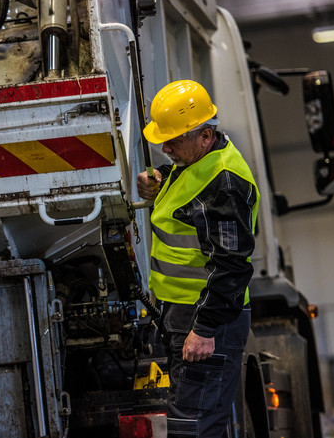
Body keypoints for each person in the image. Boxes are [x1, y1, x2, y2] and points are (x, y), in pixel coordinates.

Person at [136, 80, 260, 437]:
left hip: (206, 320)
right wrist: (160, 178)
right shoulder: (198, 162)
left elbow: (232, 265)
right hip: (185, 314)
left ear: (205, 136)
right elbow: (186, 189)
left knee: (194, 428)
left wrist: (205, 330)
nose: (165, 147)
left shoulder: (224, 185)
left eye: (174, 140)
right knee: (196, 425)